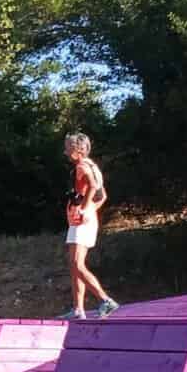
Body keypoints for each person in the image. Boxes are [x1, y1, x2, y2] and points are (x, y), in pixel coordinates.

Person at [61, 133, 120, 320]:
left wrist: (84, 209)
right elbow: (103, 196)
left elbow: (93, 186)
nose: (65, 151)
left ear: (78, 150)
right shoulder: (92, 166)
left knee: (76, 263)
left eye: (68, 147)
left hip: (82, 222)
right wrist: (90, 210)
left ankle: (105, 300)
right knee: (75, 265)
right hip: (85, 221)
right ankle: (78, 309)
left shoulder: (82, 166)